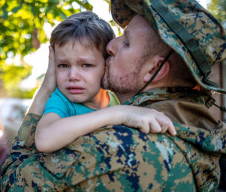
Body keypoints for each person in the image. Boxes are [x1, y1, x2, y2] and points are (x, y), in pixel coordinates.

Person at [0, 0, 226, 192]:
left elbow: (11, 187)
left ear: (153, 70)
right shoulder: (186, 128)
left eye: (126, 42)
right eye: (64, 65)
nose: (111, 46)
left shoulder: (121, 149)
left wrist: (44, 93)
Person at [35, 11, 176, 153]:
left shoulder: (115, 98)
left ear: (106, 65)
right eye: (63, 65)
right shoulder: (61, 100)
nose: (72, 76)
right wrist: (118, 114)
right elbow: (44, 140)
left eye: (86, 65)